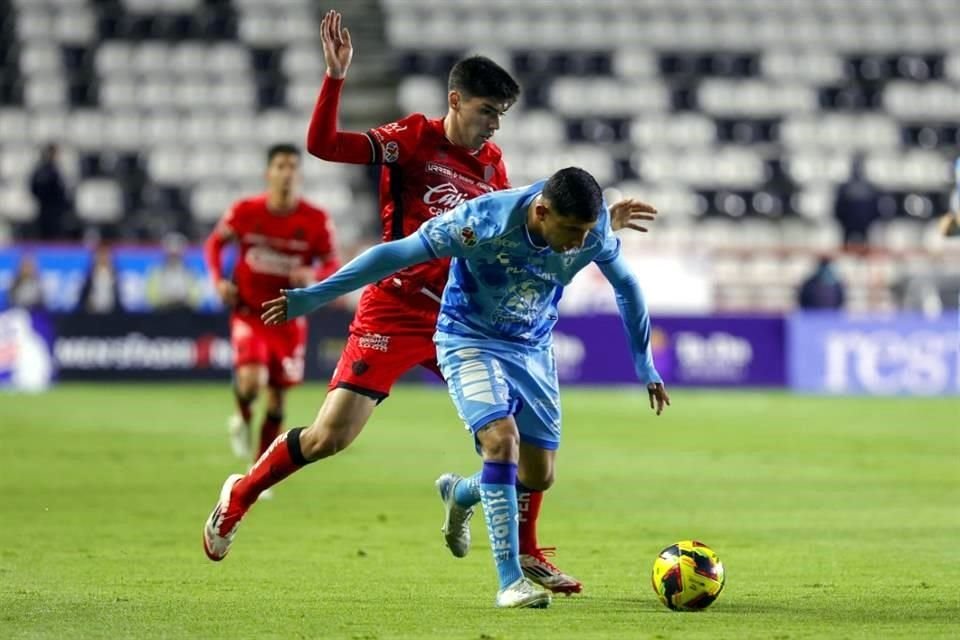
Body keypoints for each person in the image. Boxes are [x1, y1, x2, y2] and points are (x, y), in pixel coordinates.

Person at [223, 9, 655, 594]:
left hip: (466, 318)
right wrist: (335, 79)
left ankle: (522, 553)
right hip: (397, 308)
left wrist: (599, 227)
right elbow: (324, 145)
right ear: (456, 100)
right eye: (487, 112)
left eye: (501, 116)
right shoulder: (410, 140)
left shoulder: (493, 167)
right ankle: (242, 493)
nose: (494, 127)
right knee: (332, 437)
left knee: (520, 449)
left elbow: (520, 234)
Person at [203, 167, 670, 608]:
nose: (580, 245)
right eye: (573, 232)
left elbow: (626, 286)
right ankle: (510, 582)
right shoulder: (482, 221)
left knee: (538, 474)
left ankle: (463, 493)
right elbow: (394, 253)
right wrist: (316, 295)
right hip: (465, 336)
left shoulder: (588, 231)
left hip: (530, 347)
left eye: (588, 232)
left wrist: (644, 364)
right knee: (491, 442)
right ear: (543, 213)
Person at [203, 144, 339, 463]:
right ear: (269, 173)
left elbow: (333, 263)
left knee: (277, 399)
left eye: (292, 166)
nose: (287, 173)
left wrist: (313, 273)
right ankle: (242, 416)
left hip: (289, 317)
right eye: (280, 166)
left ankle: (260, 470)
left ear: (299, 174)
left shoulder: (316, 220)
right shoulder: (245, 211)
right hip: (249, 313)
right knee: (251, 383)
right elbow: (214, 243)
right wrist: (218, 280)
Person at [833, 154, 882, 249]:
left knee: (866, 248)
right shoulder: (843, 188)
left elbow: (875, 210)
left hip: (865, 227)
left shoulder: (871, 188)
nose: (857, 170)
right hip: (847, 227)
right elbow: (838, 209)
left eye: (859, 166)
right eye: (855, 166)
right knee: (846, 249)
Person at [145, 233, 203, 311]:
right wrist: (165, 300)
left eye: (176, 254)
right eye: (171, 254)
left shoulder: (190, 271)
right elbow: (151, 296)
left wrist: (184, 300)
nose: (174, 257)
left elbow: (196, 297)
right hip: (162, 313)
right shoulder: (156, 271)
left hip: (185, 312)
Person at [28, 143, 72, 241]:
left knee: (54, 235)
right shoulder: (41, 170)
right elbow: (34, 187)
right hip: (45, 207)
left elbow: (62, 190)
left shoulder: (56, 169)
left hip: (56, 209)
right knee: (46, 234)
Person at [76, 243, 121, 314]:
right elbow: (83, 296)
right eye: (100, 255)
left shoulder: (115, 275)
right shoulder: (90, 275)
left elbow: (118, 298)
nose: (103, 258)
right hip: (92, 312)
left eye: (106, 255)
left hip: (111, 313)